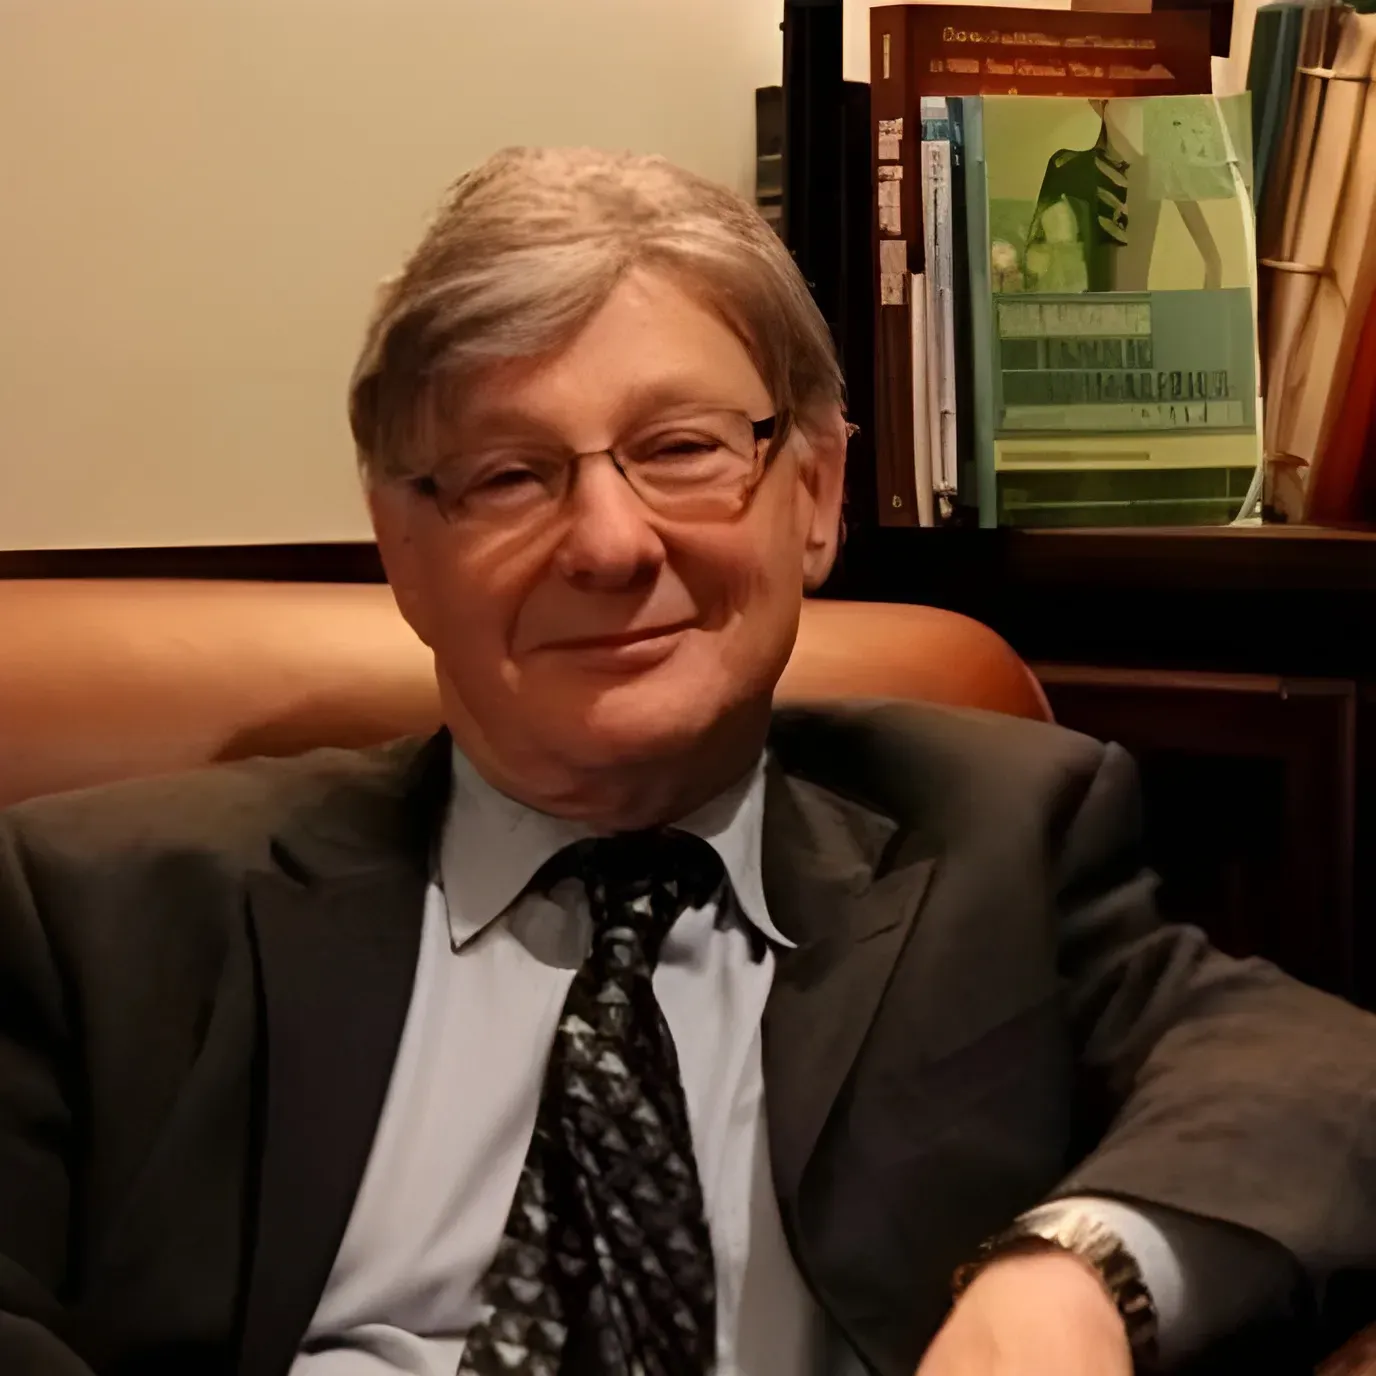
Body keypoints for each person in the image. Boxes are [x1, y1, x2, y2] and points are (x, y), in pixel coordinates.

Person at [0, 146, 1373, 1376]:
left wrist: (1079, 1276)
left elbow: (1321, 1075)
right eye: (508, 475)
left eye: (681, 450)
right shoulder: (98, 910)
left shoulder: (998, 835)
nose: (609, 543)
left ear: (816, 497)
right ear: (404, 548)